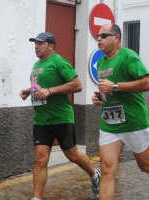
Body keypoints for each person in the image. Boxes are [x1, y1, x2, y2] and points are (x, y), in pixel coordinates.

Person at [20, 32, 101, 200]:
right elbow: (39, 86)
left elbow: (77, 85)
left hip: (61, 118)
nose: (36, 46)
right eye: (35, 43)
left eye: (40, 43)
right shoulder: (36, 65)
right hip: (42, 119)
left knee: (72, 155)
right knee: (40, 159)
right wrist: (29, 91)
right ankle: (37, 197)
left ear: (51, 46)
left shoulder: (59, 62)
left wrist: (50, 91)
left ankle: (94, 174)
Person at [92, 24, 149, 200]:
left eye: (103, 35)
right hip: (109, 124)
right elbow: (106, 89)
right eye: (97, 36)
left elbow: (146, 82)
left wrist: (115, 86)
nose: (98, 39)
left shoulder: (128, 56)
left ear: (116, 38)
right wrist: (99, 98)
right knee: (107, 169)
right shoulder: (100, 62)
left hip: (133, 122)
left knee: (145, 165)